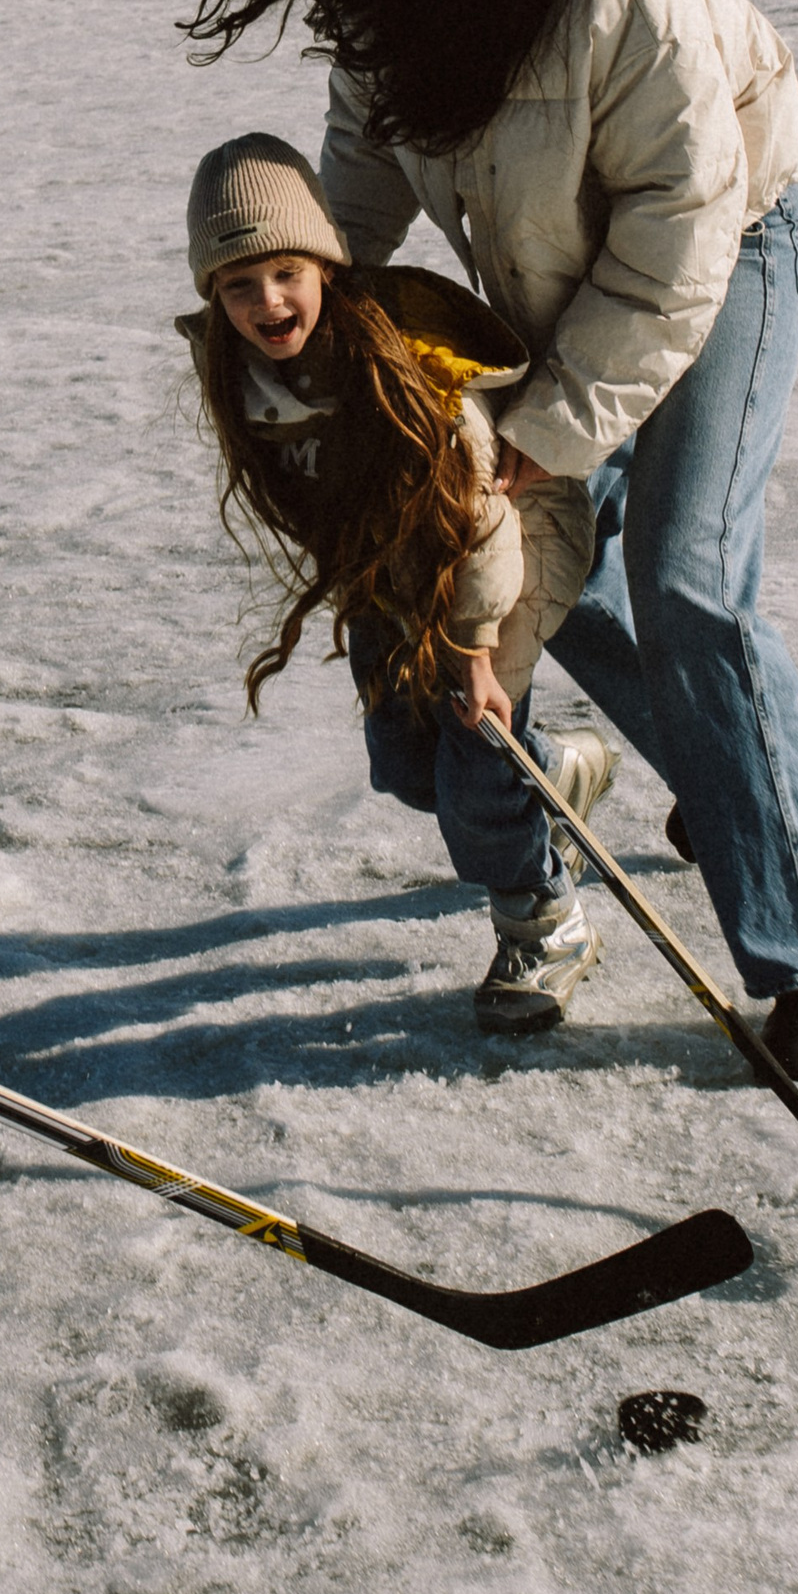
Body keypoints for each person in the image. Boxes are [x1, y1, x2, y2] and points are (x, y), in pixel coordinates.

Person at [184, 0, 798, 1081]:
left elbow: (682, 235)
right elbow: (359, 203)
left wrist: (543, 435)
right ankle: (738, 750)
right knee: (549, 585)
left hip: (730, 241)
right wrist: (303, 329)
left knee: (686, 581)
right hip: (560, 271)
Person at [180, 132, 614, 1029]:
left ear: (328, 269)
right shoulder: (244, 373)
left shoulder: (401, 373)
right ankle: (554, 773)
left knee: (473, 761)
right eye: (237, 284)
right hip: (395, 564)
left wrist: (476, 653)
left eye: (286, 272)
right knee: (406, 767)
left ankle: (544, 920)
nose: (267, 301)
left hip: (506, 539)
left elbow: (485, 521)